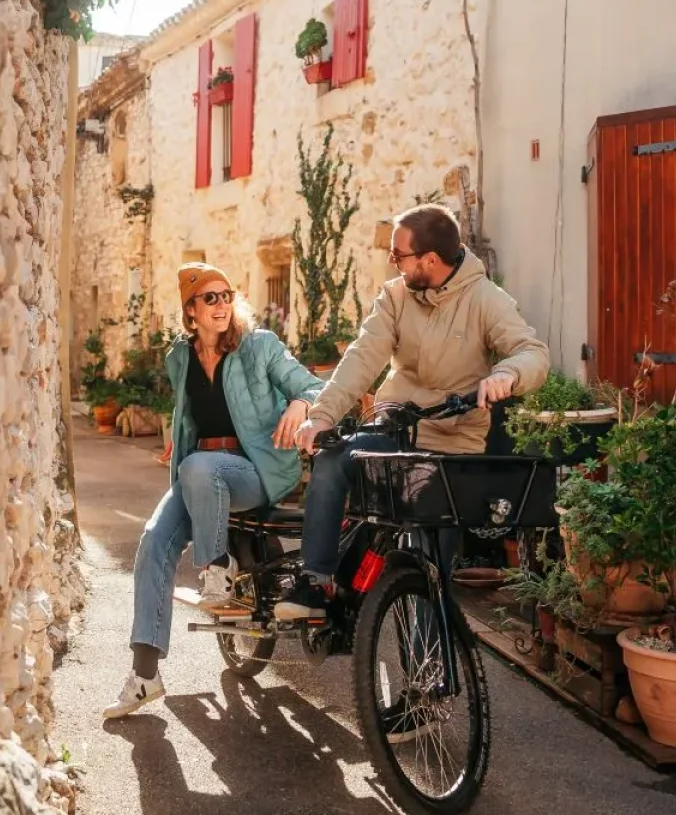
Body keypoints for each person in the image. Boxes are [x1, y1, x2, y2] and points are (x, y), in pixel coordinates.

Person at [282, 203, 550, 623]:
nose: (393, 262)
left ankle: (431, 681)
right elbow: (363, 358)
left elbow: (532, 352)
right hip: (396, 430)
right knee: (334, 459)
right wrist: (322, 416)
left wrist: (508, 374)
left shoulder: (485, 299)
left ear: (429, 259)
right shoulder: (395, 296)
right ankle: (316, 581)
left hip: (452, 445)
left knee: (431, 570)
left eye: (398, 255)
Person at [102, 262, 326, 720]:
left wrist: (301, 403)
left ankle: (216, 566)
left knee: (200, 466)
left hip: (256, 472)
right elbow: (190, 415)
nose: (221, 305)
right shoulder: (179, 357)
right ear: (191, 311)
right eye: (210, 298)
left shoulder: (259, 346)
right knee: (152, 544)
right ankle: (144, 676)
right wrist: (178, 444)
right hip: (198, 473)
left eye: (226, 295)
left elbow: (318, 386)